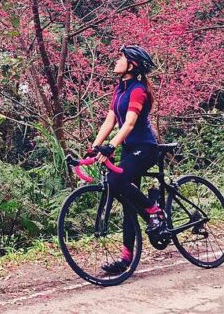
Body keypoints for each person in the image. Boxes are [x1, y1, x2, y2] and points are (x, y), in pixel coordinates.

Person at [89, 44, 165, 275]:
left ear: (132, 65)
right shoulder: (120, 89)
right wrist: (93, 147)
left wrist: (111, 146)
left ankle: (154, 210)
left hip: (145, 148)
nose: (116, 60)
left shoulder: (138, 90)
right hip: (129, 150)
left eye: (120, 57)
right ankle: (125, 258)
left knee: (115, 181)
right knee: (128, 202)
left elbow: (130, 123)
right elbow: (110, 121)